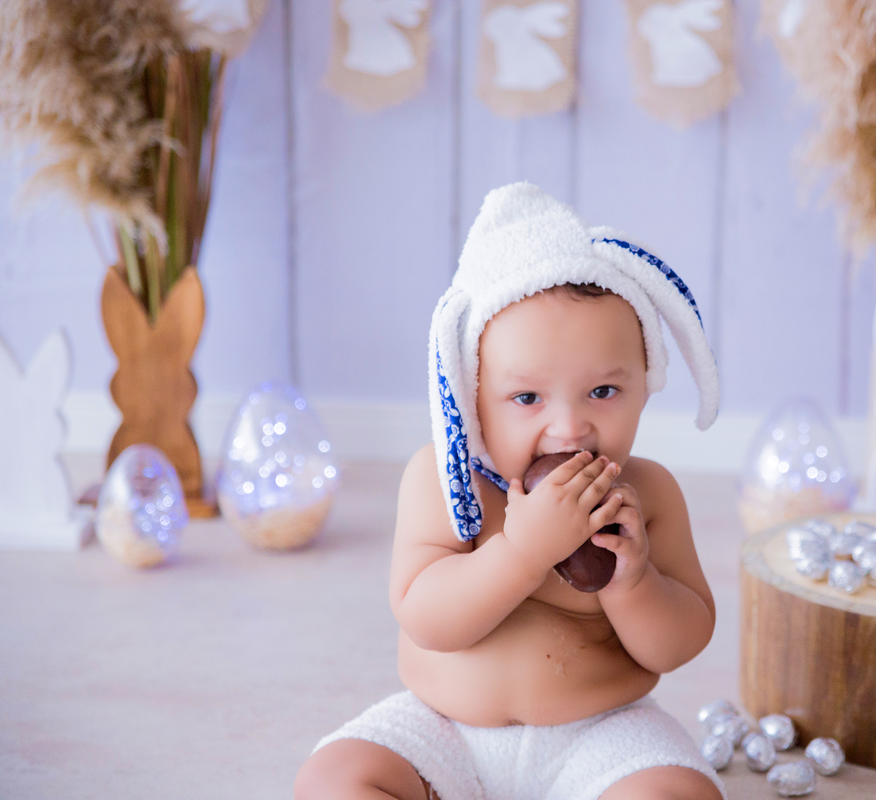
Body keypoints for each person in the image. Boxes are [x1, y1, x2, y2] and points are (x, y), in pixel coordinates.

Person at [295, 183, 724, 800]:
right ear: (471, 397)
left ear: (645, 384)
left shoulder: (647, 494)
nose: (570, 426)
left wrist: (635, 581)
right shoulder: (444, 482)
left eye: (603, 392)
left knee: (678, 795)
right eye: (527, 398)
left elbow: (681, 642)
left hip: (600, 733)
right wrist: (521, 552)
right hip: (445, 730)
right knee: (332, 780)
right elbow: (427, 619)